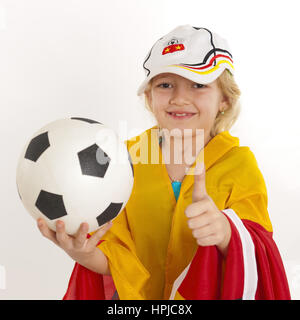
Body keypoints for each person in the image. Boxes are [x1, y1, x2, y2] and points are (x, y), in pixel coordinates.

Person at [37, 24, 291, 300]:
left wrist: (226, 232)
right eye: (165, 85)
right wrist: (83, 253)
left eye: (198, 85)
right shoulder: (123, 160)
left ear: (225, 100)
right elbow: (116, 259)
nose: (180, 98)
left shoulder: (240, 165)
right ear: (149, 97)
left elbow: (258, 254)